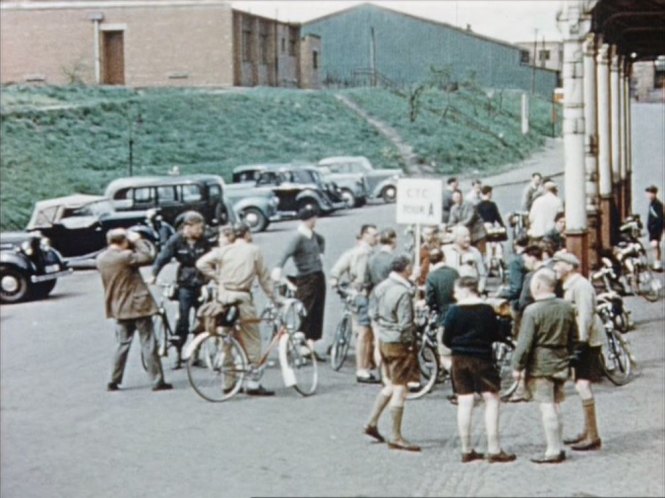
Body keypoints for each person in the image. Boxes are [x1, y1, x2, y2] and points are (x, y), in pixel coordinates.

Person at [196, 222, 278, 396]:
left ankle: (228, 381)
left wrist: (218, 277)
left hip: (223, 298)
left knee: (225, 337)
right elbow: (264, 279)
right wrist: (276, 299)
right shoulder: (254, 250)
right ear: (247, 234)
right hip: (241, 298)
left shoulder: (224, 250)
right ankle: (253, 382)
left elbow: (201, 263)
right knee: (252, 338)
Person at [443, 276, 516, 463]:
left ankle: (466, 448)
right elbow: (494, 334)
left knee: (464, 401)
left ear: (465, 290)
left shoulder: (453, 312)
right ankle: (494, 448)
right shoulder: (486, 310)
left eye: (457, 291)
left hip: (459, 359)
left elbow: (446, 338)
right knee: (491, 399)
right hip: (482, 358)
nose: (454, 295)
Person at [511, 268, 577, 464]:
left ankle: (552, 449)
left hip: (541, 362)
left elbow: (524, 343)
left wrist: (517, 366)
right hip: (561, 358)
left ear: (538, 286)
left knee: (546, 405)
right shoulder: (566, 307)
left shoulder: (532, 311)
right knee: (556, 404)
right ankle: (559, 445)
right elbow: (574, 336)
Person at [96, 228, 172, 392]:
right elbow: (148, 256)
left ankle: (114, 379)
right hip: (137, 305)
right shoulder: (125, 257)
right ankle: (157, 380)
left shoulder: (101, 258)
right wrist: (137, 240)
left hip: (118, 306)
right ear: (124, 241)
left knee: (122, 343)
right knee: (148, 342)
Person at [363, 255, 421, 452]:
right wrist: (410, 344)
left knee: (389, 385)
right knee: (400, 388)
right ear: (405, 269)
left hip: (384, 340)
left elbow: (373, 313)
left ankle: (372, 422)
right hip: (399, 343)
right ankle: (396, 435)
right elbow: (405, 324)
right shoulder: (403, 293)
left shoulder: (381, 287)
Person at [553, 252, 604, 451]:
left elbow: (584, 316)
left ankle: (593, 434)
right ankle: (588, 430)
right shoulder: (571, 285)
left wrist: (580, 342)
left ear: (569, 266)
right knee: (580, 384)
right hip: (582, 341)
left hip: (587, 342)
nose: (555, 267)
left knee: (583, 385)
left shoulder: (580, 286)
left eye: (558, 264)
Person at [149, 210, 213, 368]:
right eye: (197, 228)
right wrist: (154, 274)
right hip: (185, 283)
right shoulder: (176, 240)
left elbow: (215, 257)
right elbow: (163, 257)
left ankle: (196, 353)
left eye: (201, 228)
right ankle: (178, 353)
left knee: (203, 318)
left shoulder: (205, 240)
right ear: (188, 227)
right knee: (182, 319)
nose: (200, 231)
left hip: (202, 282)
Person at [272, 207, 326, 359]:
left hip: (317, 275)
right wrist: (278, 268)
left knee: (317, 311)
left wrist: (320, 253)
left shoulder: (313, 235)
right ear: (310, 220)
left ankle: (310, 346)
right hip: (306, 277)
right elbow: (286, 253)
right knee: (306, 310)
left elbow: (322, 240)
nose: (316, 221)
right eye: (314, 218)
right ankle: (300, 343)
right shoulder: (298, 237)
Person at [330, 224, 380, 384]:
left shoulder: (351, 252)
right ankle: (362, 368)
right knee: (365, 332)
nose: (377, 238)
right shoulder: (365, 253)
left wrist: (336, 281)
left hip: (352, 294)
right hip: (363, 295)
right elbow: (364, 278)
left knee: (361, 331)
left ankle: (367, 363)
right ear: (365, 235)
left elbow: (336, 270)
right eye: (374, 235)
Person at [442, 226, 487, 294]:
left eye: (469, 236)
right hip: (450, 292)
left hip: (471, 293)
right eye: (464, 237)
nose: (468, 239)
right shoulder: (445, 251)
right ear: (456, 238)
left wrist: (479, 290)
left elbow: (482, 274)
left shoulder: (475, 252)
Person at [645, 185, 664, 271]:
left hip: (656, 229)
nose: (648, 195)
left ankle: (657, 264)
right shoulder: (652, 203)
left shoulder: (657, 205)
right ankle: (656, 263)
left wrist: (656, 229)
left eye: (650, 193)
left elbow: (660, 218)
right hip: (653, 229)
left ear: (654, 194)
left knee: (655, 246)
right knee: (655, 246)